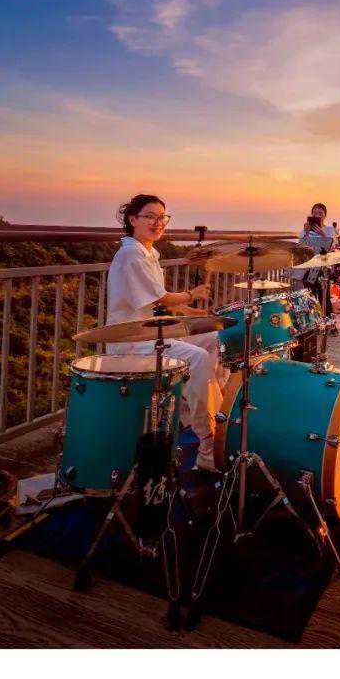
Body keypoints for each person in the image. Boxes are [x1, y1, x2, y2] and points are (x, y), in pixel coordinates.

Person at [106, 194, 220, 472]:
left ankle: (192, 413)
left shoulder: (149, 253)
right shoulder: (131, 254)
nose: (158, 223)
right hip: (133, 342)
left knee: (216, 340)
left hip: (152, 332)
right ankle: (208, 443)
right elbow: (160, 298)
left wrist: (191, 312)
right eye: (150, 217)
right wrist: (191, 294)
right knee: (198, 358)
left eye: (162, 218)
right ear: (133, 220)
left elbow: (156, 302)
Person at [293, 202, 336, 311]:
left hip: (323, 266)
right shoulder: (305, 230)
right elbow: (301, 247)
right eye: (315, 213)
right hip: (309, 266)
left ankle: (327, 318)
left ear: (325, 216)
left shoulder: (329, 229)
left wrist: (323, 234)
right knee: (309, 297)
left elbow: (331, 247)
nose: (317, 216)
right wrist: (306, 233)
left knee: (324, 297)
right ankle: (313, 319)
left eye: (320, 213)